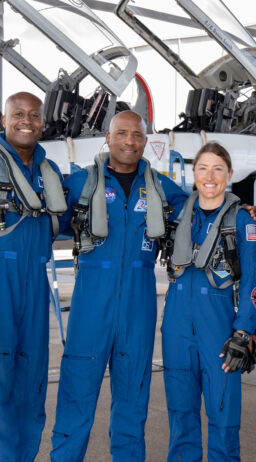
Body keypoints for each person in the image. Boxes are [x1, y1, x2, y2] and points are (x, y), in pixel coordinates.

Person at [50, 110, 188, 461]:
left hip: (138, 308)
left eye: (137, 135)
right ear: (108, 138)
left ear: (145, 141)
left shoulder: (160, 187)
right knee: (75, 401)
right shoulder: (82, 183)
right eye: (122, 134)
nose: (130, 141)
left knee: (132, 405)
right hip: (90, 307)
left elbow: (202, 211)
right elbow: (46, 221)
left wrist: (244, 211)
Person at [161, 142, 256, 462]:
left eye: (218, 169)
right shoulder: (179, 214)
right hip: (176, 326)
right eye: (203, 168)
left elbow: (252, 281)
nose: (210, 176)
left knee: (223, 418)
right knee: (181, 417)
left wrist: (243, 333)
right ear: (194, 174)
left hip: (218, 327)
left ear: (229, 175)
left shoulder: (242, 221)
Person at [0, 92, 65, 462]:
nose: (26, 121)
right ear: (4, 118)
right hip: (1, 285)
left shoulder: (49, 171)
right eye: (18, 114)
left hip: (35, 286)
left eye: (34, 115)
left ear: (43, 121)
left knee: (32, 379)